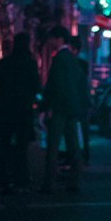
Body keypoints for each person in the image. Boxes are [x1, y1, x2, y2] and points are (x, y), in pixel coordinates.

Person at [0, 34, 40, 193]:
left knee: (4, 145)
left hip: (4, 111)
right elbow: (36, 87)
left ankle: (2, 179)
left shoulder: (4, 64)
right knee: (21, 147)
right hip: (23, 110)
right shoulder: (30, 64)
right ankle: (20, 179)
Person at [41, 26, 87, 193]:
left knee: (53, 145)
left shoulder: (59, 59)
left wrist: (47, 106)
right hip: (72, 107)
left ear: (59, 39)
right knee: (73, 144)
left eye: (53, 38)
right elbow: (79, 82)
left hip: (60, 108)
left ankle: (49, 182)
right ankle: (76, 179)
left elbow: (55, 85)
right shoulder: (72, 59)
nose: (51, 41)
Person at [69, 33, 91, 165]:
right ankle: (83, 155)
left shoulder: (74, 64)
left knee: (77, 129)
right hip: (82, 101)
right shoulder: (83, 64)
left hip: (77, 101)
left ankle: (78, 156)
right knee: (83, 130)